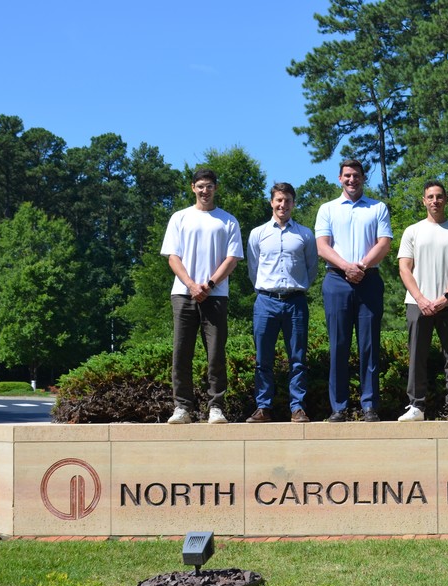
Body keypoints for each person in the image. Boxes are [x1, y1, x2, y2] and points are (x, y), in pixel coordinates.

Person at [160, 168, 243, 424]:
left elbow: (232, 259)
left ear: (215, 188)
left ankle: (216, 407)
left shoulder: (228, 221)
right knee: (181, 353)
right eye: (200, 186)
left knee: (216, 354)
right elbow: (173, 257)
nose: (204, 191)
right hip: (183, 294)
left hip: (215, 296)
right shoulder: (179, 217)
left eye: (209, 186)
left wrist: (209, 284)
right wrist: (191, 285)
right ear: (192, 188)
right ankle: (182, 408)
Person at [315, 159, 393, 422]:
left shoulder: (377, 207)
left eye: (356, 175)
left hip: (368, 280)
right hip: (336, 281)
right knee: (338, 345)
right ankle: (339, 407)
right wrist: (347, 267)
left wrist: (361, 266)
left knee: (369, 345)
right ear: (340, 178)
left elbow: (384, 243)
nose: (352, 180)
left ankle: (369, 405)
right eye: (347, 175)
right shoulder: (327, 209)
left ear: (363, 178)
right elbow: (322, 246)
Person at [396, 181, 448, 422]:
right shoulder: (412, 231)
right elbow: (404, 268)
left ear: (446, 200)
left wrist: (446, 297)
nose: (435, 201)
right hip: (417, 304)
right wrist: (421, 299)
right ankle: (416, 406)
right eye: (430, 197)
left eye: (439, 196)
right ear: (424, 201)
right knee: (416, 355)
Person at [245, 183, 319, 423]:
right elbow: (253, 268)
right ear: (271, 202)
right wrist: (266, 288)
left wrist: (297, 286)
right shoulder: (258, 234)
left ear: (293, 203)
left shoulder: (305, 235)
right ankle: (263, 407)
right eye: (278, 200)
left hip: (295, 302)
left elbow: (312, 268)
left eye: (287, 200)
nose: (282, 205)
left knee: (298, 359)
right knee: (262, 359)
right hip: (265, 301)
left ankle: (297, 408)